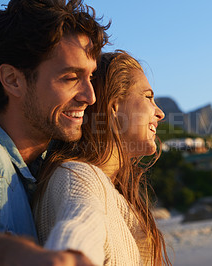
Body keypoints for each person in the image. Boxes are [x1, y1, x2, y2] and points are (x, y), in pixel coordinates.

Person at [0, 0, 108, 264]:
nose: (90, 97)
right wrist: (13, 253)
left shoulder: (46, 164)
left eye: (90, 77)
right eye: (70, 78)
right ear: (13, 80)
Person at [34, 50, 172, 265]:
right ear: (114, 105)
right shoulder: (77, 178)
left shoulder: (103, 186)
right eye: (148, 97)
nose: (160, 113)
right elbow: (76, 237)